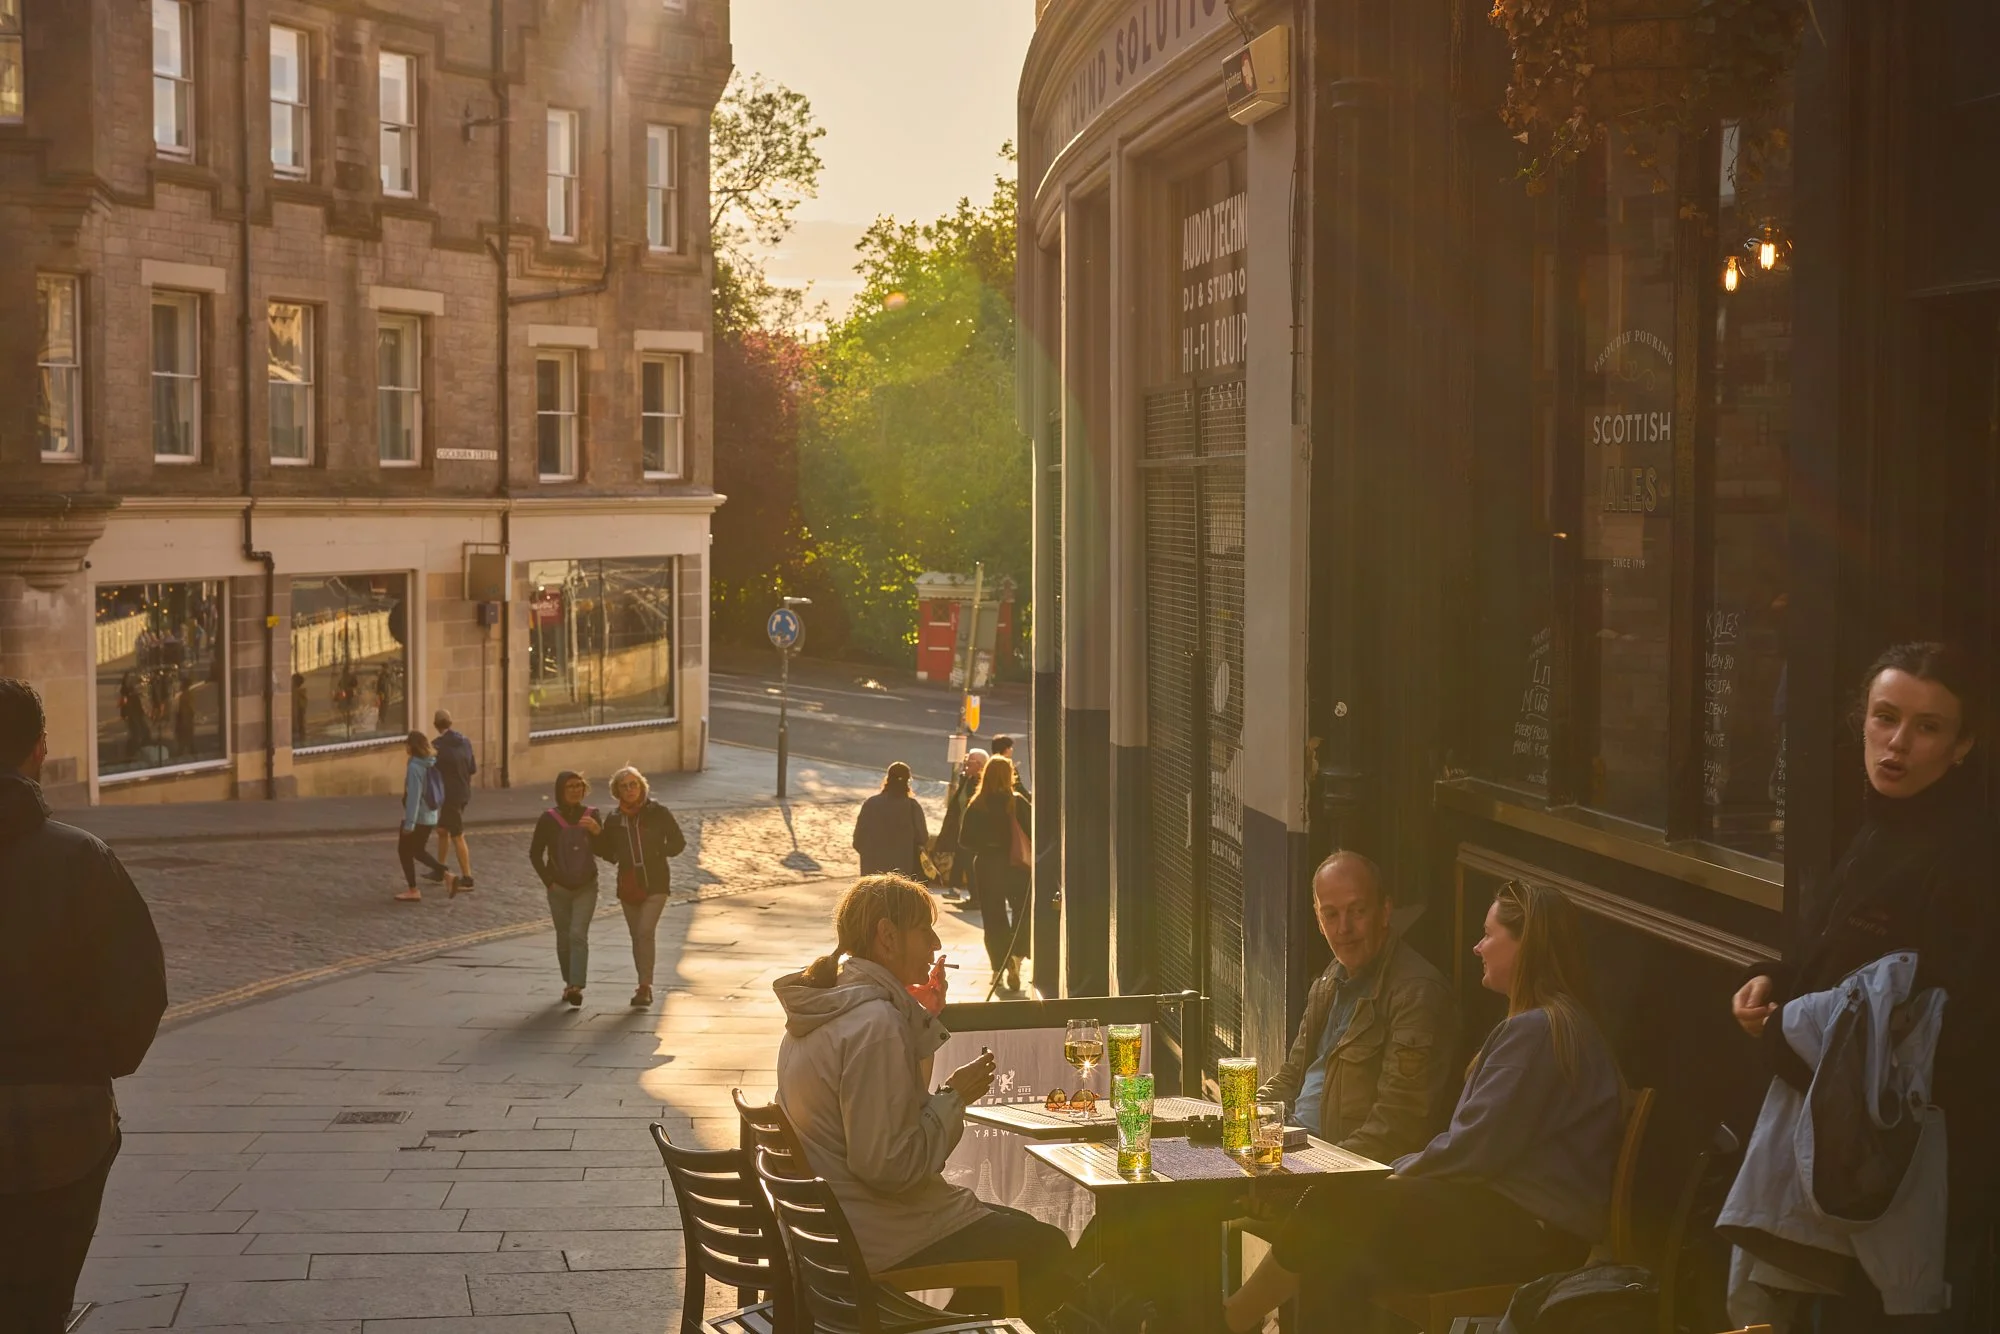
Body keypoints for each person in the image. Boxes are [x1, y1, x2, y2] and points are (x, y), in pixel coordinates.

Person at [1727, 643, 1999, 1330]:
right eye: (1885, 717)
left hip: (1903, 1177)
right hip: (1841, 1163)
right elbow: (1831, 955)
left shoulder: (1968, 858)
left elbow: (1950, 1032)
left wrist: (1791, 1033)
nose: (1898, 743)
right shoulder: (1876, 826)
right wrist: (1773, 980)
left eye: (1928, 727)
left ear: (1963, 747)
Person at [1223, 879, 1623, 1333]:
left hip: (1525, 1234)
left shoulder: (1538, 1032)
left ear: (1525, 946)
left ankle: (1226, 1320)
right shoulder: (1552, 1025)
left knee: (1331, 1213)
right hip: (1521, 1224)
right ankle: (1231, 1320)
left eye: (1490, 935)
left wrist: (1391, 1171)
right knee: (1333, 1244)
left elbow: (1472, 1149)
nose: (1477, 947)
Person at [774, 875, 1078, 1328]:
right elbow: (889, 1166)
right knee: (1045, 1247)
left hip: (841, 1227)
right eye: (925, 931)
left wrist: (923, 1025)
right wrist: (953, 1099)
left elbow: (890, 1113)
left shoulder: (830, 1006)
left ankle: (952, 1327)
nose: (936, 944)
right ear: (887, 936)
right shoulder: (874, 1023)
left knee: (1016, 1231)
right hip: (878, 1231)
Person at [0, 679, 167, 1329]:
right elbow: (138, 990)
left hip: (62, 1105)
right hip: (64, 1119)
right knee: (43, 1295)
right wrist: (90, 1065)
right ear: (38, 750)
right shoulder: (81, 860)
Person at [1259, 851, 1458, 1162]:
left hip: (1343, 1174)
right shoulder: (1329, 979)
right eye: (1331, 915)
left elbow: (1397, 1125)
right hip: (1296, 1151)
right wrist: (1246, 1119)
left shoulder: (1416, 993)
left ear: (1385, 911)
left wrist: (1318, 1170)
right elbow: (1291, 1076)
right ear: (1318, 921)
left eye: (1357, 911)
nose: (1343, 928)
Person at [594, 766, 686, 1009]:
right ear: (617, 792)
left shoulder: (658, 813)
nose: (630, 789)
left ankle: (646, 985)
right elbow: (607, 852)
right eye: (624, 786)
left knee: (645, 931)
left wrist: (658, 853)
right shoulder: (614, 819)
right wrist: (596, 836)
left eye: (634, 784)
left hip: (656, 882)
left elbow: (678, 842)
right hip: (628, 884)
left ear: (642, 786)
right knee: (637, 936)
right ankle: (642, 984)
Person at [959, 754, 1031, 994]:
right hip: (1016, 866)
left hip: (988, 866)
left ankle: (998, 966)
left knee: (993, 917)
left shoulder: (977, 803)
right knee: (1021, 911)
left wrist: (987, 844)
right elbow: (1034, 833)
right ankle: (1017, 955)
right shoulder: (1018, 802)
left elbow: (964, 840)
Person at [531, 771, 603, 1007]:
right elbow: (535, 853)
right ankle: (569, 982)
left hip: (586, 886)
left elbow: (606, 851)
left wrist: (597, 832)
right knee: (563, 938)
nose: (575, 790)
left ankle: (576, 986)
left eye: (579, 786)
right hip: (558, 888)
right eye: (570, 786)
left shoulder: (592, 815)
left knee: (577, 934)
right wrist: (548, 881)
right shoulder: (548, 819)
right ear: (560, 790)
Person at [392, 730, 459, 903]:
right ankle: (447, 875)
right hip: (431, 815)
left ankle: (413, 890)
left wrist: (409, 824)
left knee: (404, 851)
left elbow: (414, 797)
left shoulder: (415, 766)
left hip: (418, 817)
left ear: (411, 747)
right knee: (418, 851)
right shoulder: (430, 762)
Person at [853, 761, 930, 878]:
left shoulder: (871, 804)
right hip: (901, 873)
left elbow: (858, 839)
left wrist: (869, 855)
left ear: (887, 779)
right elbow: (922, 837)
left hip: (871, 872)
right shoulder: (912, 807)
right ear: (907, 782)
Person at [932, 748, 987, 901]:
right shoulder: (967, 780)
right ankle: (956, 890)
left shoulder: (982, 784)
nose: (965, 766)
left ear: (980, 765)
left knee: (968, 863)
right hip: (962, 829)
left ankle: (974, 897)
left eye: (969, 763)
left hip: (974, 832)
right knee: (961, 858)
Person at [431, 708, 477, 892]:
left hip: (451, 795)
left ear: (436, 725)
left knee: (457, 835)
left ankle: (468, 878)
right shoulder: (465, 742)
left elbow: (433, 771)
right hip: (464, 792)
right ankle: (439, 870)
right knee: (443, 830)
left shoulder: (438, 746)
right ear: (450, 722)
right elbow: (472, 768)